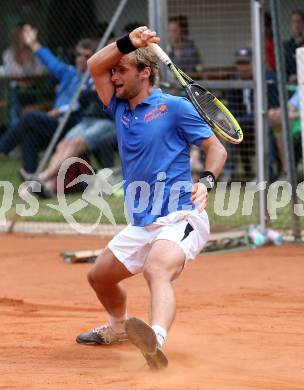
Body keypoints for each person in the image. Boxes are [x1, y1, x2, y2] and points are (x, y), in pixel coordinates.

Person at [75, 26, 227, 369]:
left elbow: (215, 147)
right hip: (143, 221)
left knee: (157, 269)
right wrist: (129, 42)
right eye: (114, 71)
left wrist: (206, 180)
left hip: (181, 215)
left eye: (122, 70)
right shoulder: (118, 108)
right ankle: (117, 328)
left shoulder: (175, 108)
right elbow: (94, 67)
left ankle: (154, 340)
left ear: (145, 72)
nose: (114, 76)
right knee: (99, 277)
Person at [0, 24, 95, 175]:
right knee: (29, 132)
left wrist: (60, 109)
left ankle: (2, 148)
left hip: (71, 123)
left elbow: (84, 104)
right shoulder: (68, 73)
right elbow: (50, 61)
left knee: (30, 117)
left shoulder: (93, 79)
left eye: (87, 56)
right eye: (79, 55)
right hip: (55, 122)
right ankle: (31, 175)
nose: (82, 59)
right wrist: (32, 44)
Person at [28, 84, 117, 198]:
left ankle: (43, 177)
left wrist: (95, 91)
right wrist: (92, 91)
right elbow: (81, 99)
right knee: (62, 144)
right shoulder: (91, 77)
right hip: (88, 119)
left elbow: (109, 97)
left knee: (78, 142)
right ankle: (48, 187)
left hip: (109, 121)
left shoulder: (115, 74)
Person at [221, 47, 279, 182]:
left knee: (268, 129)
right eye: (240, 64)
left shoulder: (267, 77)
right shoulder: (233, 80)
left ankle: (266, 171)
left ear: (254, 63)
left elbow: (273, 105)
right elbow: (233, 109)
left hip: (263, 119)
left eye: (247, 63)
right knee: (229, 129)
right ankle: (229, 172)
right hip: (243, 121)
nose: (244, 67)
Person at [2, 22, 46, 126]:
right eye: (23, 34)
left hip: (33, 88)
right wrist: (24, 79)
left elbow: (39, 70)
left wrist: (27, 79)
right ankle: (16, 129)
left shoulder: (35, 53)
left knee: (35, 105)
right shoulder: (8, 53)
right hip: (17, 90)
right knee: (15, 106)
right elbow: (12, 73)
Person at [284, 9, 304, 84]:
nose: (296, 25)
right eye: (294, 22)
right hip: (291, 85)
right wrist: (289, 77)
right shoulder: (287, 46)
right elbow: (282, 69)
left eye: (299, 21)